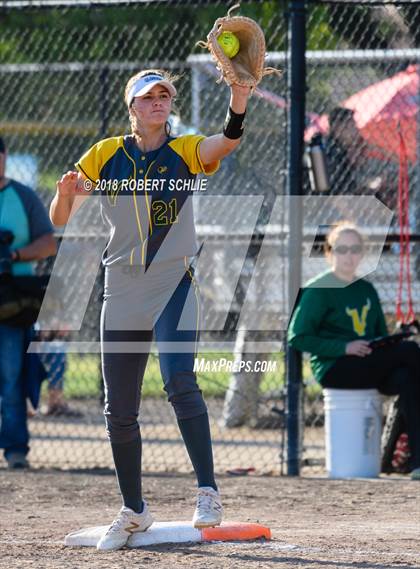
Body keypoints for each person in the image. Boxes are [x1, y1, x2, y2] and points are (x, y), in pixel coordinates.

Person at [50, 69, 251, 551]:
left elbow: (223, 144)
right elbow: (61, 218)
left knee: (179, 379)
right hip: (121, 287)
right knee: (118, 408)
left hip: (172, 281)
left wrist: (239, 97)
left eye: (164, 95)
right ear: (132, 106)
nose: (158, 102)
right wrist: (64, 192)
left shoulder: (183, 151)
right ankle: (135, 509)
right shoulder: (105, 154)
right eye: (148, 96)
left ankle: (208, 492)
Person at [287, 221, 420, 481]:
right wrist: (344, 347)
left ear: (362, 253)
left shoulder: (366, 289)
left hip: (370, 364)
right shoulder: (319, 288)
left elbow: (379, 334)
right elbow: (297, 336)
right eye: (341, 249)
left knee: (408, 379)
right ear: (329, 252)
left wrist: (387, 341)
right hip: (336, 367)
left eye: (354, 249)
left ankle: (416, 463)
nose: (348, 255)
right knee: (411, 351)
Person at [0, 136, 57, 468]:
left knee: (11, 378)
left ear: (5, 156)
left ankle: (15, 450)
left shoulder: (22, 196)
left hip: (14, 299)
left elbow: (48, 244)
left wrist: (14, 254)